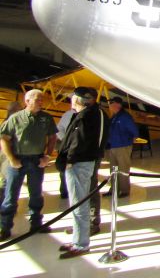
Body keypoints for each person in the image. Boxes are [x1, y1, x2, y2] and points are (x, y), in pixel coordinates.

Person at [56, 87, 108, 258]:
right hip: (85, 162)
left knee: (78, 203)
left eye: (73, 98)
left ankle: (81, 244)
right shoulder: (96, 114)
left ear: (78, 100)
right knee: (78, 202)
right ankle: (79, 237)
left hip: (79, 164)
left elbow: (78, 141)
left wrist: (70, 160)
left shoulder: (86, 116)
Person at [0, 90, 57, 241]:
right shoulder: (15, 118)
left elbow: (52, 137)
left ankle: (36, 223)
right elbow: (4, 139)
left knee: (36, 193)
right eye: (38, 99)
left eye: (41, 100)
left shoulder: (46, 118)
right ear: (27, 101)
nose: (41, 102)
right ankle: (4, 227)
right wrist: (12, 159)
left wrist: (47, 155)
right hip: (18, 160)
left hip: (37, 161)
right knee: (11, 195)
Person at [103, 96, 138, 198]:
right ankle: (114, 188)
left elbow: (134, 130)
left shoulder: (124, 117)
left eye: (111, 104)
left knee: (123, 168)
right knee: (113, 169)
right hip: (113, 146)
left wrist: (132, 139)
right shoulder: (114, 117)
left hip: (123, 146)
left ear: (118, 105)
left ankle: (124, 190)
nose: (110, 106)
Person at [55, 96, 77, 200]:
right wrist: (65, 140)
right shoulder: (68, 114)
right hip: (68, 147)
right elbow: (59, 129)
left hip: (77, 147)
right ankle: (64, 191)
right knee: (64, 169)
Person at [0, 102, 21, 205]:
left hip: (4, 155)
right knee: (9, 181)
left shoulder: (5, 121)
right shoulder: (12, 122)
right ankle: (7, 205)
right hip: (8, 155)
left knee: (5, 180)